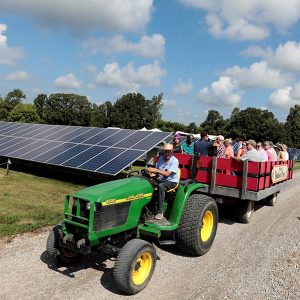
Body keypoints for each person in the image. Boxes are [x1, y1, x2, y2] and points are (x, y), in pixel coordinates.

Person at [146, 143, 179, 220]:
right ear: (163, 152)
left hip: (171, 181)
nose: (167, 153)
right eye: (165, 151)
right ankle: (148, 206)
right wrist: (152, 173)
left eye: (169, 151)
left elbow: (167, 174)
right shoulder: (161, 158)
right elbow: (157, 171)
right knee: (148, 182)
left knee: (161, 186)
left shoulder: (174, 161)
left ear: (172, 152)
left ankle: (160, 211)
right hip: (161, 179)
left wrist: (155, 170)